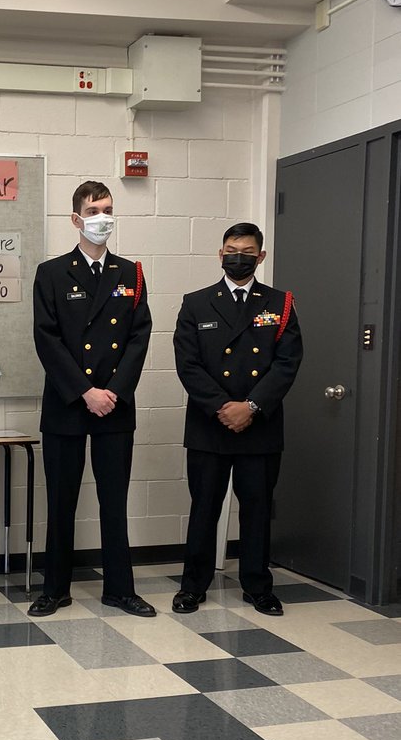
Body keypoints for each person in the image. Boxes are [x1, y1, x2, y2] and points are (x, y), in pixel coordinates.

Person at [29, 180, 155, 618]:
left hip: (114, 405)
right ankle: (55, 589)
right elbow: (46, 339)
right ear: (76, 219)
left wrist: (112, 392)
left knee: (114, 501)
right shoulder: (51, 272)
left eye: (108, 209)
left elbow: (139, 338)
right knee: (61, 501)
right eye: (94, 210)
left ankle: (120, 589)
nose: (103, 218)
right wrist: (85, 392)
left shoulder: (131, 273)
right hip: (68, 402)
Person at [172, 222, 302, 617]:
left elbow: (287, 362)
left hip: (259, 426)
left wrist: (251, 406)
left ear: (260, 257)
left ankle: (258, 587)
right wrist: (222, 407)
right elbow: (188, 363)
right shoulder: (196, 303)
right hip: (209, 425)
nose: (238, 258)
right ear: (220, 254)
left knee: (257, 509)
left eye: (246, 252)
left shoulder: (280, 303)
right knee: (204, 508)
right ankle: (193, 586)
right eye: (231, 250)